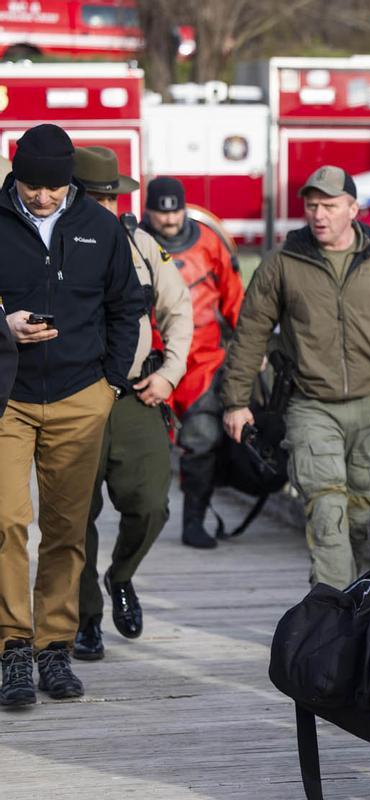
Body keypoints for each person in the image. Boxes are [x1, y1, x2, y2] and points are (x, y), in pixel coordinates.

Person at [220, 165, 370, 589]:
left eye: (329, 205)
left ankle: (348, 601)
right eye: (312, 206)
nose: (319, 215)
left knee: (359, 511)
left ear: (353, 209)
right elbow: (250, 332)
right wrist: (235, 401)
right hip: (309, 404)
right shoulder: (283, 263)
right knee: (326, 509)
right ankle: (332, 609)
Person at [0, 124, 142, 706]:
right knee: (6, 521)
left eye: (53, 188)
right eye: (32, 186)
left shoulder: (101, 228)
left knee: (65, 529)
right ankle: (12, 646)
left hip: (81, 396)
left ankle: (53, 646)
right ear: (16, 175)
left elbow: (126, 306)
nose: (42, 197)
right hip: (7, 395)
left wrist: (109, 384)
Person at [72, 147, 194, 661]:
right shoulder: (52, 245)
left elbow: (179, 310)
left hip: (136, 395)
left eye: (111, 197)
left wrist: (169, 375)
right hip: (73, 396)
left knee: (150, 507)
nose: (104, 205)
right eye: (95, 196)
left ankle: (120, 578)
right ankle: (85, 620)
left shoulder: (141, 244)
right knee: (74, 517)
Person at [142, 176, 244, 549]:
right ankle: (144, 521)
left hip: (203, 360)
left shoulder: (209, 242)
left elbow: (235, 299)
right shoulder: (132, 244)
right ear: (148, 211)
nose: (169, 221)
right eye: (161, 213)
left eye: (175, 212)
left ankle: (193, 521)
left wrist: (251, 347)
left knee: (202, 439)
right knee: (147, 446)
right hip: (149, 359)